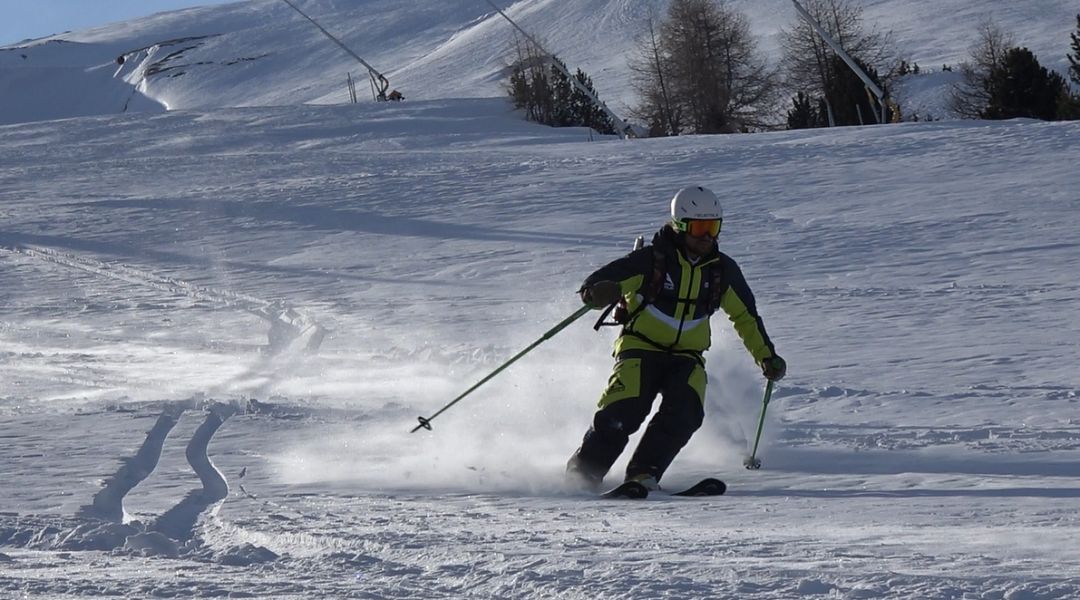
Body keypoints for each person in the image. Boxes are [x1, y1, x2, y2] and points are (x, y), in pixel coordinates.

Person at [567, 185, 786, 491]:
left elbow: (746, 317)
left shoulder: (722, 271)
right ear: (680, 226)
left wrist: (766, 355)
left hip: (687, 356)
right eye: (699, 227)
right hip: (640, 348)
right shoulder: (651, 261)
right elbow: (599, 283)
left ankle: (644, 474)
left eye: (713, 227)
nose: (707, 236)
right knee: (625, 409)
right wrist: (597, 292)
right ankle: (583, 475)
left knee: (686, 412)